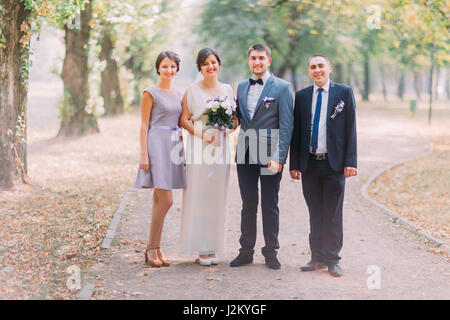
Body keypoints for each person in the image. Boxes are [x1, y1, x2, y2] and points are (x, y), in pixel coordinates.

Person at [289, 54, 357, 277]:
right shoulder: (302, 96)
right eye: (313, 67)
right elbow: (297, 131)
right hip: (310, 164)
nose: (317, 70)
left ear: (329, 68)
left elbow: (350, 129)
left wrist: (350, 162)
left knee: (333, 213)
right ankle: (317, 256)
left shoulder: (343, 93)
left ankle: (332, 258)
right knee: (315, 212)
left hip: (334, 164)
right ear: (309, 71)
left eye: (321, 66)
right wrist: (295, 163)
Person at [230, 43, 294, 270]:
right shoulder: (239, 87)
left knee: (269, 203)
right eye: (253, 58)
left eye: (261, 58)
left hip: (270, 155)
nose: (257, 62)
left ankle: (270, 251)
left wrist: (279, 157)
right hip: (245, 153)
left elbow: (286, 126)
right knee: (248, 203)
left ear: (268, 60)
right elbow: (237, 119)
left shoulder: (282, 88)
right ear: (249, 61)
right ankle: (246, 251)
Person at [179, 48, 237, 266]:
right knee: (200, 193)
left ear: (218, 64)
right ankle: (202, 247)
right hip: (199, 146)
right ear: (200, 68)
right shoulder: (192, 90)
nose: (210, 66)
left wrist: (225, 128)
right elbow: (184, 120)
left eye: (213, 62)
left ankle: (213, 246)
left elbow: (234, 120)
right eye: (206, 64)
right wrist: (204, 134)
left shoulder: (228, 89)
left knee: (216, 195)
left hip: (221, 149)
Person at [134, 51, 186, 268]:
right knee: (167, 200)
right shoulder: (150, 93)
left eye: (172, 66)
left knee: (159, 199)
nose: (169, 70)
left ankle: (156, 248)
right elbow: (144, 124)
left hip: (174, 145)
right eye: (165, 66)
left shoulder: (179, 93)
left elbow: (182, 120)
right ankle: (150, 248)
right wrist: (144, 154)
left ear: (177, 69)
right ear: (158, 68)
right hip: (156, 144)